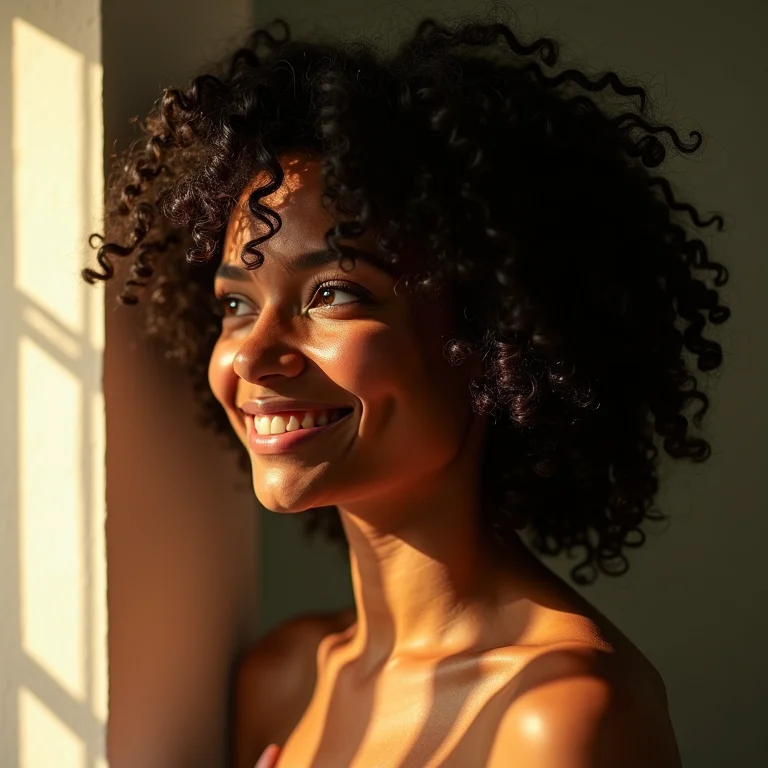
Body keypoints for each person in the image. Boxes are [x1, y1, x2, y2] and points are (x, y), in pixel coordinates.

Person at [83, 9, 730, 767]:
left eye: (333, 294)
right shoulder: (285, 680)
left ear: (494, 337)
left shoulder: (559, 718)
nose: (252, 356)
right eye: (235, 304)